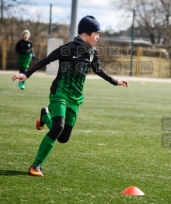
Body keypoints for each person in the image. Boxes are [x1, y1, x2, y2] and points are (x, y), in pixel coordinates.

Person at [11, 15, 129, 177]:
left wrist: (115, 81)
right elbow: (46, 60)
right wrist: (26, 74)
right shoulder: (68, 48)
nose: (98, 37)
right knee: (58, 127)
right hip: (60, 93)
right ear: (86, 33)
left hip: (76, 98)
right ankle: (36, 165)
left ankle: (45, 117)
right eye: (96, 33)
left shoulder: (92, 52)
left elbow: (98, 70)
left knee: (63, 138)